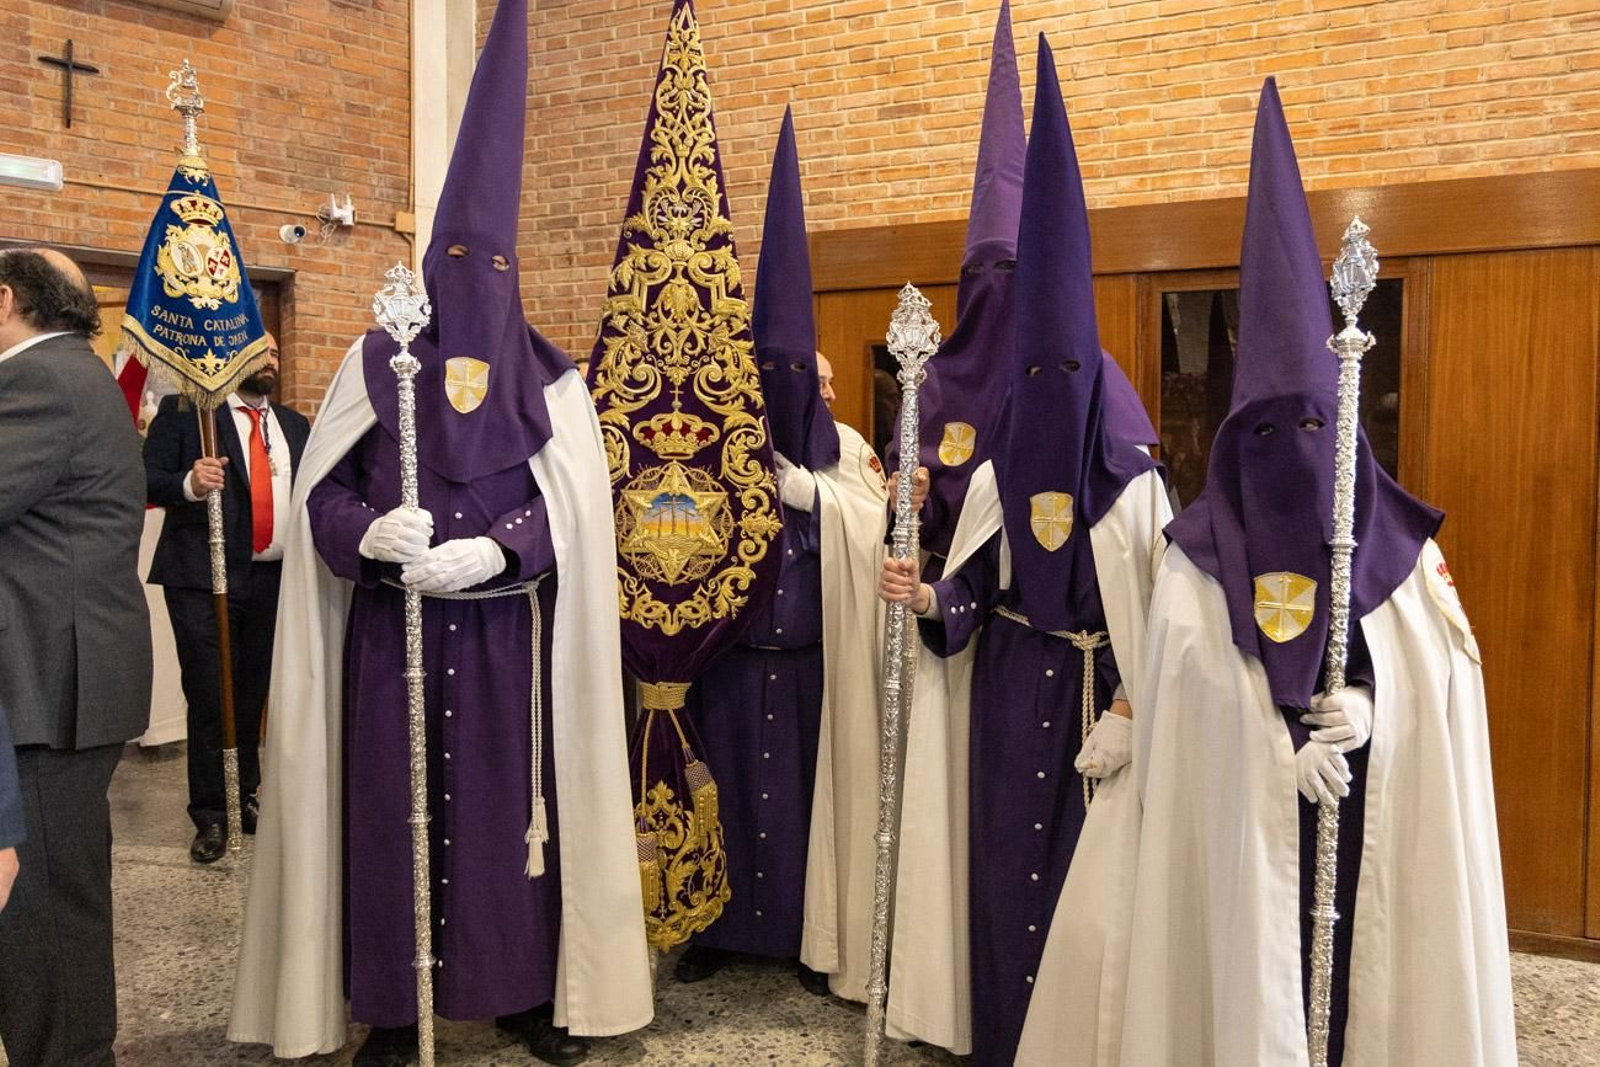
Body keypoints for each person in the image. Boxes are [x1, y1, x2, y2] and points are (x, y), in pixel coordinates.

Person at [229, 3, 652, 1063]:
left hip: (510, 646)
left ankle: (517, 991)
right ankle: (388, 1000)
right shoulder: (371, 367)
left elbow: (577, 515)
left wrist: (503, 545)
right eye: (455, 257)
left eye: (490, 264)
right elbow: (323, 495)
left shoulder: (554, 385)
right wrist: (370, 532)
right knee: (390, 819)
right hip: (392, 643)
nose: (474, 285)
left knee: (516, 822)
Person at [1120, 79, 1516, 1066]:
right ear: (1229, 436)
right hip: (1247, 861)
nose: (1289, 452)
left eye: (1311, 427)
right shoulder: (1194, 565)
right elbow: (1184, 714)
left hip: (1366, 832)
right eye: (1266, 431)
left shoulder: (1403, 551)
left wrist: (1379, 713)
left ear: (1344, 433)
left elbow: (1447, 695)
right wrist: (1270, 751)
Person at [880, 37, 1172, 1065]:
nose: (1041, 388)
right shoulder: (1001, 466)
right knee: (1005, 871)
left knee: (1089, 886)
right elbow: (972, 588)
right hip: (1006, 699)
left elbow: (1164, 612)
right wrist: (926, 598)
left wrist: (1136, 706)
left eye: (1061, 369)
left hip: (1097, 704)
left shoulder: (1131, 478)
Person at [675, 107, 888, 998]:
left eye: (816, 377)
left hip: (810, 665)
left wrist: (820, 497)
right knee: (726, 798)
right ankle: (718, 930)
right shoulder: (720, 447)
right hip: (729, 663)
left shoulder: (848, 450)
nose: (805, 391)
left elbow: (875, 530)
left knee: (802, 804)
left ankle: (810, 935)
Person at [883, 2, 1026, 1052]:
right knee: (941, 829)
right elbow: (908, 502)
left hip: (1025, 635)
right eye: (984, 278)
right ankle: (939, 997)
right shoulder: (929, 383)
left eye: (1013, 280)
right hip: (943, 636)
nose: (996, 298)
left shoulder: (1074, 385)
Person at [0, 246, 153, 1066]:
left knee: (47, 902)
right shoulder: (74, 371)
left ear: (5, 302)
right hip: (61, 673)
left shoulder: (37, 380)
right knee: (55, 895)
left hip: (50, 681)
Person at [143, 333, 309, 863]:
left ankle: (245, 796)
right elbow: (145, 477)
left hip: (273, 579)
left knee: (252, 691)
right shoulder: (189, 413)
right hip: (202, 576)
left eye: (276, 354)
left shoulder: (293, 425)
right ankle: (212, 812)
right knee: (214, 695)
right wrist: (189, 482)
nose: (269, 362)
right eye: (259, 352)